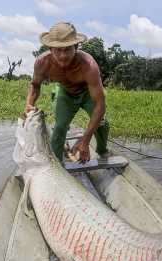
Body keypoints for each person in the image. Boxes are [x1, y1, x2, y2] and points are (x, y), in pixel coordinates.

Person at [23, 22, 111, 164]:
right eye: (58, 50)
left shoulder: (88, 65)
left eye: (68, 49)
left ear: (76, 47)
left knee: (102, 123)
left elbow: (100, 106)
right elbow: (34, 85)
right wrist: (29, 103)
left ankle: (102, 151)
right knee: (59, 127)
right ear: (50, 48)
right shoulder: (42, 62)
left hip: (87, 93)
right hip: (65, 92)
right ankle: (56, 163)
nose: (63, 55)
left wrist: (85, 141)